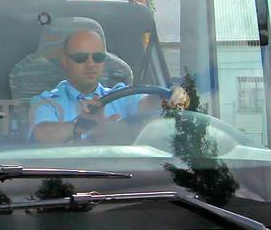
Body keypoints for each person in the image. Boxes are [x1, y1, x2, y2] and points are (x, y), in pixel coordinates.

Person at [30, 28, 188, 144]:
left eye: (98, 57)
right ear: (65, 61)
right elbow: (42, 136)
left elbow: (150, 104)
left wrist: (173, 95)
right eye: (80, 57)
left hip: (127, 180)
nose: (91, 64)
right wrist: (80, 126)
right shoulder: (46, 102)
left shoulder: (122, 95)